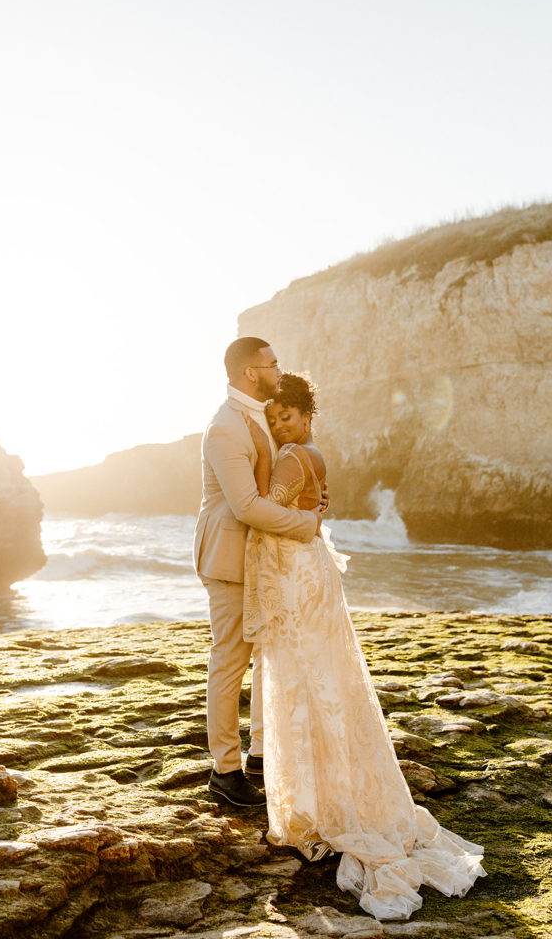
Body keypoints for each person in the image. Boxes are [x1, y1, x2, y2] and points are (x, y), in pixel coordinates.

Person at [243, 372, 487, 920]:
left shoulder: (292, 457)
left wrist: (281, 502)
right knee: (324, 682)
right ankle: (332, 791)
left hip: (297, 572)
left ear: (307, 415)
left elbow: (265, 511)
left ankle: (321, 803)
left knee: (307, 680)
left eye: (287, 416)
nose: (279, 424)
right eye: (272, 418)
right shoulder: (312, 453)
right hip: (310, 570)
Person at [193, 338, 324, 808]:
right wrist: (308, 524)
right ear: (251, 372)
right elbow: (247, 506)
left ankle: (260, 756)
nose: (278, 369)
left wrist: (309, 494)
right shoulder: (225, 427)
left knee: (269, 655)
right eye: (272, 364)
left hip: (266, 558)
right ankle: (224, 772)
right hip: (229, 558)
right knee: (230, 661)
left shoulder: (266, 417)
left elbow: (282, 479)